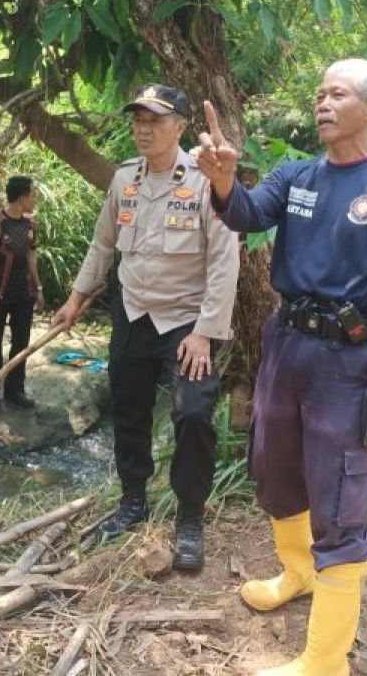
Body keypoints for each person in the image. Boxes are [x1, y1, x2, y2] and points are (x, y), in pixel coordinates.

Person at [197, 59, 367, 676]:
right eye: (319, 94)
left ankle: (325, 661)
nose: (322, 103)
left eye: (338, 94)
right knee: (274, 471)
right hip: (286, 347)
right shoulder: (297, 176)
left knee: (340, 501)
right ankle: (298, 574)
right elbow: (246, 214)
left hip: (348, 362)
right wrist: (224, 183)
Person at [52, 84, 240, 571]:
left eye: (156, 119)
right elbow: (103, 243)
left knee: (194, 415)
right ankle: (132, 501)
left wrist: (206, 331)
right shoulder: (125, 179)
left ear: (179, 126)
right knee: (129, 411)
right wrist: (75, 298)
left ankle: (190, 518)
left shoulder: (205, 180)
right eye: (138, 118)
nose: (143, 127)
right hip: (132, 314)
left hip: (185, 323)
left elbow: (224, 262)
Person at [0, 176, 45, 412]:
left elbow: (31, 256)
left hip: (24, 294)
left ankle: (15, 390)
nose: (35, 199)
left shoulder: (31, 225)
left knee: (21, 343)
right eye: (33, 195)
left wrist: (39, 288)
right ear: (22, 198)